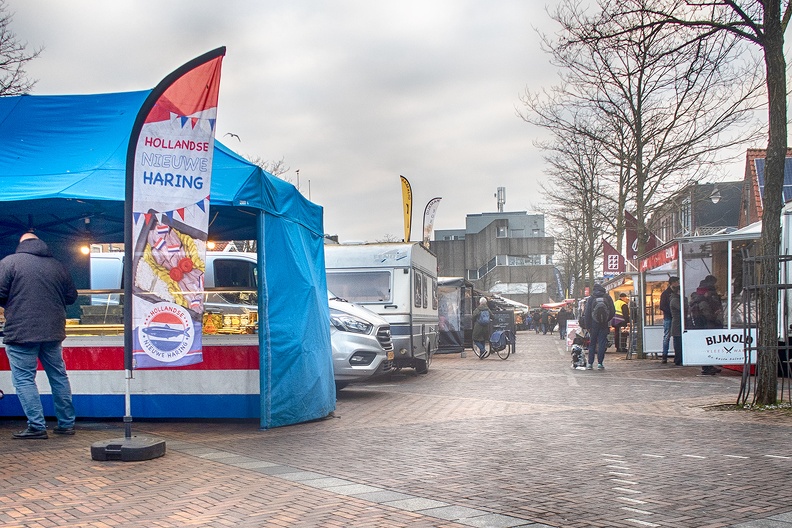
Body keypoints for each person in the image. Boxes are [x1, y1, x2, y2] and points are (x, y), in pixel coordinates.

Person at [0, 232, 78, 439]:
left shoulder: (9, 263)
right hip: (53, 331)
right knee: (58, 376)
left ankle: (36, 426)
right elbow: (71, 297)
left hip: (21, 332)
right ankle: (66, 424)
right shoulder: (57, 265)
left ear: (21, 244)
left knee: (25, 379)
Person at [691, 275, 724, 375]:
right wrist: (716, 315)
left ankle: (709, 366)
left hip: (702, 326)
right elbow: (707, 315)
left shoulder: (697, 300)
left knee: (707, 347)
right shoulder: (703, 302)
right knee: (707, 347)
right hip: (706, 326)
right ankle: (707, 367)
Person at [583, 284, 615, 370]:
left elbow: (587, 313)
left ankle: (590, 363)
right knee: (602, 343)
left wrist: (587, 325)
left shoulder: (591, 298)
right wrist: (606, 319)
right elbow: (612, 311)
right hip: (604, 324)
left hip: (593, 325)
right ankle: (600, 363)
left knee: (592, 343)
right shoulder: (607, 297)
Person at [658, 276, 679, 364]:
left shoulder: (677, 292)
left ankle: (677, 356)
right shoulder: (665, 293)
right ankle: (664, 355)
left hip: (674, 317)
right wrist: (671, 312)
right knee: (667, 336)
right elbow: (662, 306)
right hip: (668, 317)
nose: (678, 283)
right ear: (673, 283)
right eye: (677, 282)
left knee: (675, 337)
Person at [669, 279, 684, 365]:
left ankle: (679, 359)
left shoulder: (676, 299)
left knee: (679, 342)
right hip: (677, 324)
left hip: (679, 323)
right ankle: (678, 359)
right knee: (678, 343)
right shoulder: (675, 300)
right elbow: (682, 308)